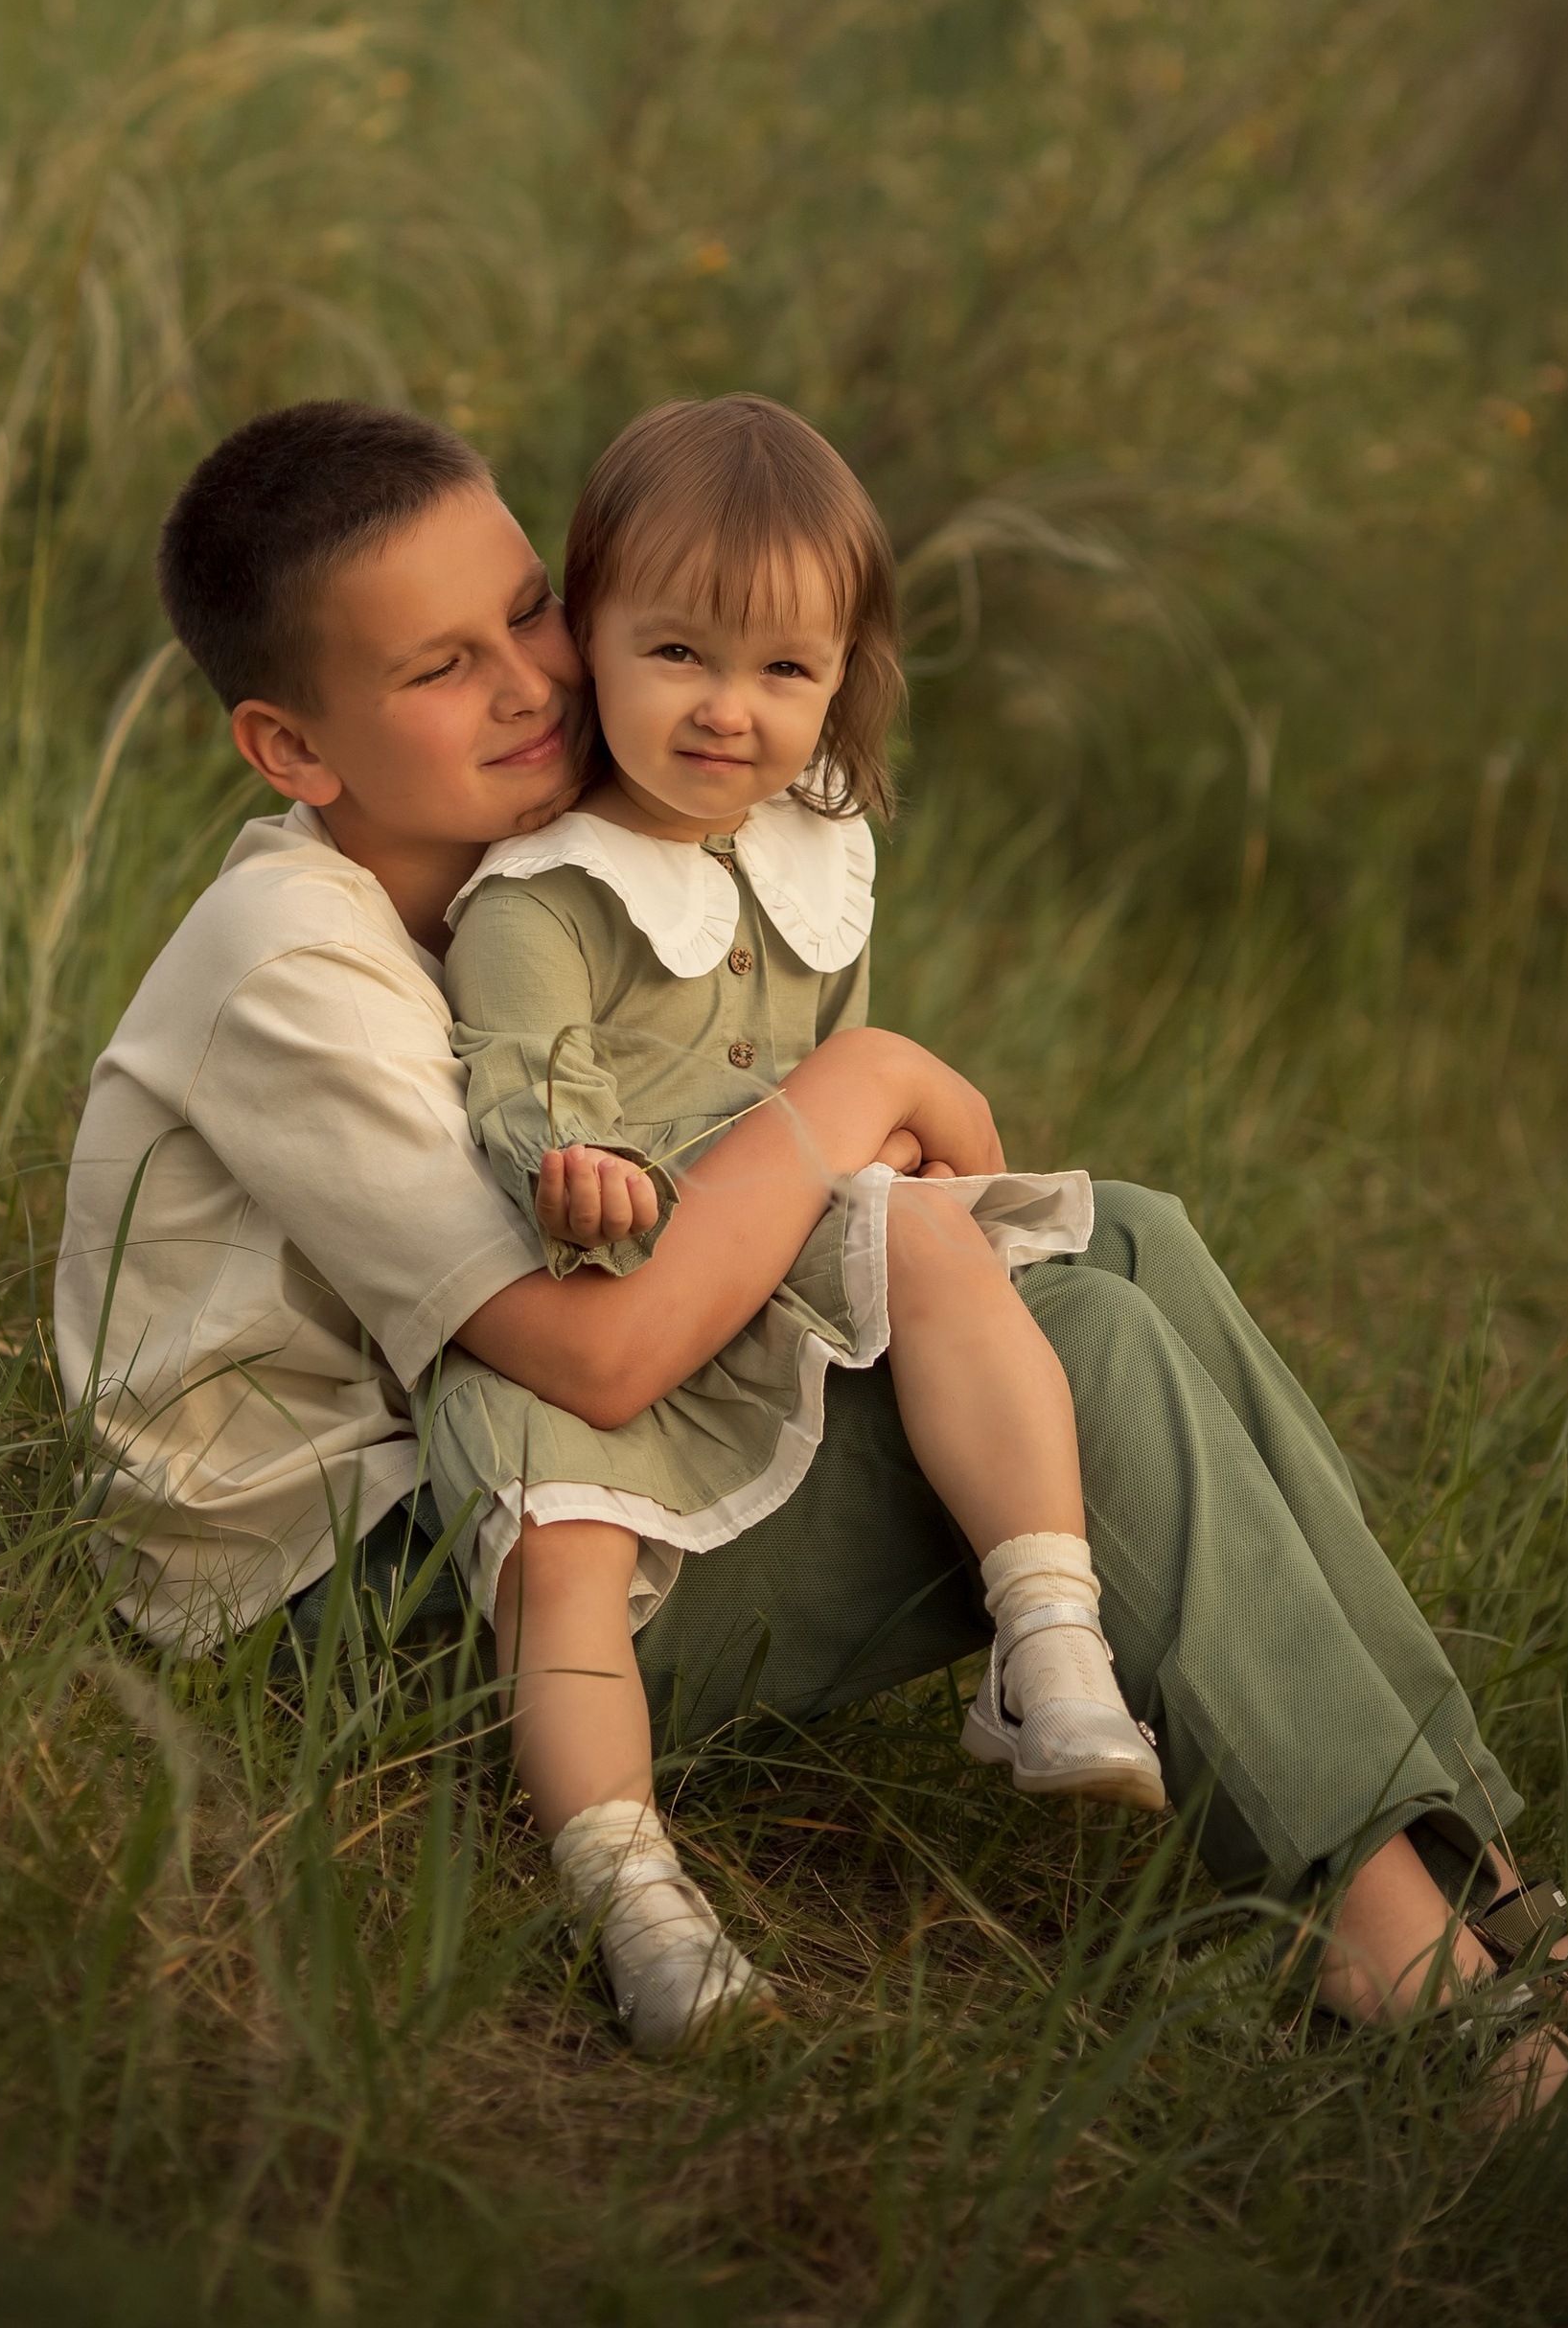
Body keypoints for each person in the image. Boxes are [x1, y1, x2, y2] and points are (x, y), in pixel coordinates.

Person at [52, 400, 1568, 2110]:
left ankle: (1471, 1862)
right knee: (1076, 1342)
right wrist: (863, 1085)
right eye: (440, 668)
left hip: (506, 1483)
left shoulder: (531, 869)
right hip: (368, 1611)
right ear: (293, 750)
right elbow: (599, 1357)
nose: (531, 683)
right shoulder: (293, 963)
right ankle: (1399, 1945)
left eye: (531, 611)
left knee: (1129, 1242)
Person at [425, 395, 1163, 2051]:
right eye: (676, 651)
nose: (727, 710)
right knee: (561, 1551)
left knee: (930, 1241)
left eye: (784, 671)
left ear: (843, 679)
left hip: (776, 1246)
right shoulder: (546, 890)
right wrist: (573, 1162)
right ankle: (633, 1895)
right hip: (608, 1276)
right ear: (586, 640)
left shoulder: (817, 850)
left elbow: (832, 1075)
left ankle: (1048, 1637)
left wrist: (882, 1143)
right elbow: (512, 1077)